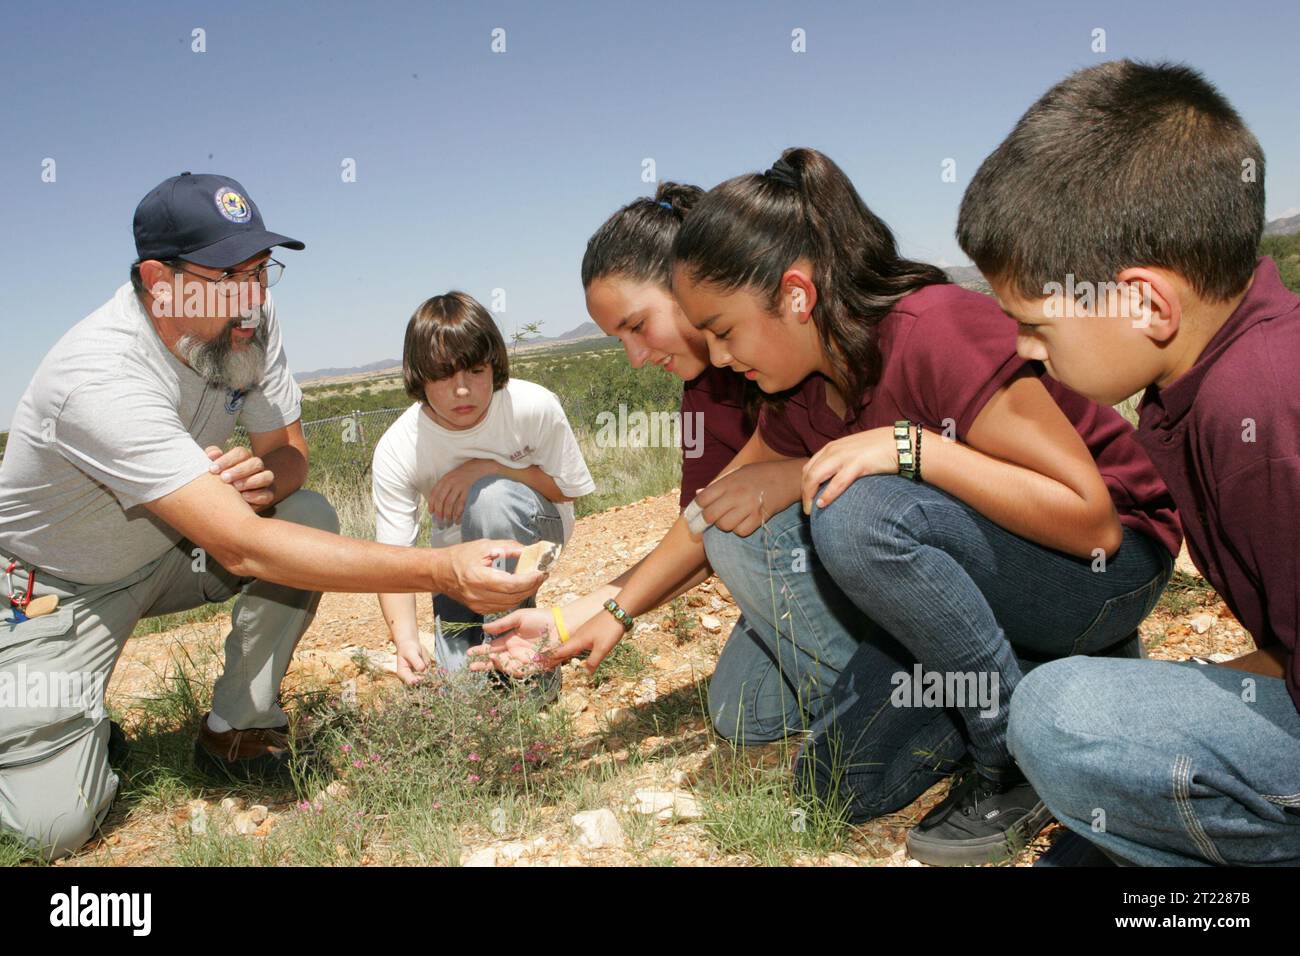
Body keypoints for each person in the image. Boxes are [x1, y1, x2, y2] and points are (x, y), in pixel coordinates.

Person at [489, 147, 1183, 867]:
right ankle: (1050, 671)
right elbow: (710, 513)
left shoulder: (933, 329)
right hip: (989, 579)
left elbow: (1091, 520)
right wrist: (602, 611)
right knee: (834, 788)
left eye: (725, 330)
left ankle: (1009, 751)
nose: (721, 359)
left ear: (795, 295)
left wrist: (909, 448)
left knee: (857, 514)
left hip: (1105, 568)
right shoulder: (793, 392)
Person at [0, 173, 543, 861]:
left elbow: (288, 456)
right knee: (51, 828)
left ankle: (237, 729)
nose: (252, 297)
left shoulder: (244, 323)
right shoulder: (98, 376)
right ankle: (64, 724)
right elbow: (249, 550)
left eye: (261, 272)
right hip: (54, 588)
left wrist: (263, 482)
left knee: (306, 514)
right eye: (228, 276)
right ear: (158, 280)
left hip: (175, 550)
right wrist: (442, 568)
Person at [957, 59, 1300, 866]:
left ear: (1145, 302)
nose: (1023, 350)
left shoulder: (1257, 413)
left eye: (1036, 325)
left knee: (1061, 715)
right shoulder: (1219, 378)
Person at [472, 182, 839, 746]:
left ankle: (872, 712)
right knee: (742, 711)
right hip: (814, 572)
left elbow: (715, 531)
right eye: (620, 338)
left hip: (873, 547)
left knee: (740, 535)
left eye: (638, 326)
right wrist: (564, 623)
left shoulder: (789, 347)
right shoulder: (703, 394)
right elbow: (694, 538)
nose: (637, 358)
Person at [371, 291, 595, 693]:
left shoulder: (532, 405)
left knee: (490, 496)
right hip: (456, 564)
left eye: (475, 370)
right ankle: (490, 653)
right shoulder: (399, 446)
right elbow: (394, 560)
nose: (462, 390)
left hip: (536, 532)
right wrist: (404, 640)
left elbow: (569, 490)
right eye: (443, 375)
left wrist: (493, 468)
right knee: (463, 694)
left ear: (495, 366)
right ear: (419, 377)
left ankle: (524, 653)